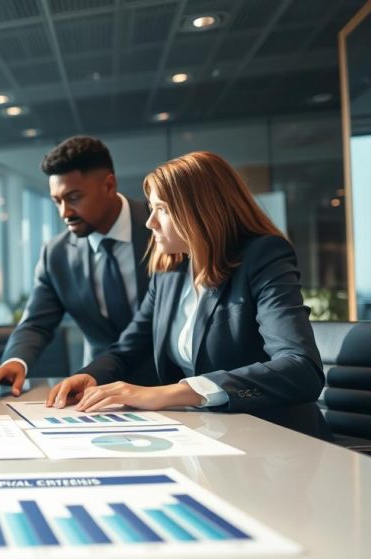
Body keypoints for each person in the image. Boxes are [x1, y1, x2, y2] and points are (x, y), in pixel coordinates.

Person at [46, 151, 329, 438]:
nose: (150, 222)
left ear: (200, 210)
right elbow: (128, 348)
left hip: (276, 441)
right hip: (207, 435)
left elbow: (300, 368)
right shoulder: (170, 272)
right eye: (151, 208)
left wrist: (173, 393)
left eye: (162, 209)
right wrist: (91, 375)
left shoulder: (263, 256)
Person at [0, 135, 154, 397]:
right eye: (57, 200)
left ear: (109, 185)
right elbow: (36, 323)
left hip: (168, 386)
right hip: (93, 390)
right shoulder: (56, 254)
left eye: (74, 197)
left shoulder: (161, 226)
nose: (64, 212)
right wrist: (16, 361)